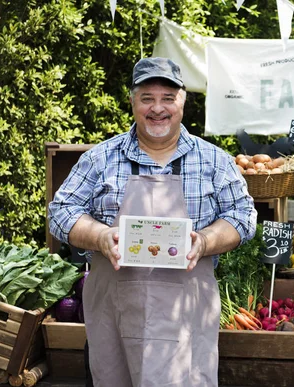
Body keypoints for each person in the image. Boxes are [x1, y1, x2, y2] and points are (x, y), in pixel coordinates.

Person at [48, 57, 257, 387]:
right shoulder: (100, 158)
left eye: (167, 98)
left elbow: (242, 217)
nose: (157, 109)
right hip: (114, 314)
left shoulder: (214, 160)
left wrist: (204, 240)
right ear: (132, 101)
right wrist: (100, 236)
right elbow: (61, 212)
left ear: (183, 102)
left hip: (187, 317)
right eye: (147, 98)